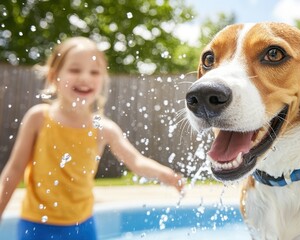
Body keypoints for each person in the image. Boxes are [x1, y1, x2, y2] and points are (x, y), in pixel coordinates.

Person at [0, 37, 185, 240]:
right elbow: (14, 170)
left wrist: (164, 173)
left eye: (94, 72)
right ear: (54, 76)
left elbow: (136, 161)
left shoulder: (101, 127)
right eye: (75, 70)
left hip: (82, 227)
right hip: (36, 226)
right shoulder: (39, 118)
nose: (85, 78)